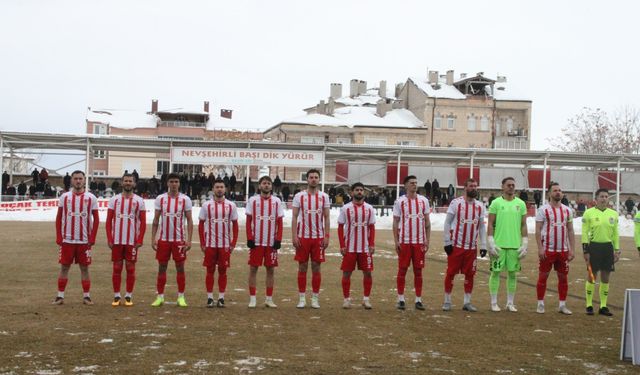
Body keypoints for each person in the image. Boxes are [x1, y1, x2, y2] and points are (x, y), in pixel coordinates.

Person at [52, 170, 99, 305]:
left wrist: (93, 237)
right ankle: (60, 296)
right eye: (76, 179)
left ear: (84, 180)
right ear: (72, 180)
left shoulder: (91, 198)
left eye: (80, 179)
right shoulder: (64, 197)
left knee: (84, 268)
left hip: (84, 240)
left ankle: (86, 296)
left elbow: (96, 219)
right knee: (64, 267)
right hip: (67, 240)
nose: (78, 181)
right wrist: (59, 236)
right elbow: (59, 217)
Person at [442, 178, 486, 312]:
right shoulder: (456, 203)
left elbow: (481, 227)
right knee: (451, 273)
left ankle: (467, 302)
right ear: (465, 188)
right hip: (456, 246)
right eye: (471, 186)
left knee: (470, 274)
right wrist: (447, 242)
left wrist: (483, 245)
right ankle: (447, 301)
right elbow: (447, 222)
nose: (474, 188)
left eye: (475, 186)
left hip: (471, 248)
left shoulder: (480, 206)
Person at [150, 173, 194, 307]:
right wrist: (153, 238)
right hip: (163, 240)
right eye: (171, 182)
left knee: (180, 268)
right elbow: (156, 220)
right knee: (161, 268)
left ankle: (181, 297)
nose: (174, 184)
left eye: (176, 182)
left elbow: (190, 220)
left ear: (179, 183)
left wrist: (189, 240)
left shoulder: (185, 199)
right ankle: (160, 297)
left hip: (179, 240)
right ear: (167, 183)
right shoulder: (160, 199)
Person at [487, 177, 527, 312]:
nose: (511, 187)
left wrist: (525, 243)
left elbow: (523, 225)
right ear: (502, 187)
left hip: (514, 246)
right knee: (495, 273)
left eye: (513, 185)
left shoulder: (521, 204)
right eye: (508, 185)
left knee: (512, 274)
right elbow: (491, 224)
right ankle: (493, 302)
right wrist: (491, 242)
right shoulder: (496, 203)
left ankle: (510, 303)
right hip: (499, 246)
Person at [292, 169, 331, 309]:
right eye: (311, 177)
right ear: (307, 179)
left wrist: (326, 236)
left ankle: (315, 298)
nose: (313, 179)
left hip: (318, 238)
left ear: (319, 179)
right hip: (303, 237)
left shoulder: (324, 197)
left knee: (316, 267)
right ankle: (302, 298)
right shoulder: (299, 196)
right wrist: (294, 235)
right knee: (302, 266)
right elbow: (295, 217)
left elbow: (326, 217)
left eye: (316, 177)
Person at [106, 173, 146, 307]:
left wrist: (140, 239)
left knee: (130, 268)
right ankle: (117, 295)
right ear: (122, 183)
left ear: (134, 184)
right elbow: (108, 221)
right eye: (126, 181)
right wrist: (110, 238)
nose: (128, 183)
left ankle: (128, 295)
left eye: (130, 181)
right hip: (117, 240)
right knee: (117, 268)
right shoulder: (114, 200)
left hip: (131, 241)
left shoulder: (139, 201)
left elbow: (143, 222)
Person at [535, 182, 575, 314]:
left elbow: (570, 231)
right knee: (543, 276)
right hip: (548, 250)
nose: (558, 192)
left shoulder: (567, 210)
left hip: (563, 250)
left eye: (560, 190)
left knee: (563, 278)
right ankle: (540, 303)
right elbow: (538, 229)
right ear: (549, 193)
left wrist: (572, 249)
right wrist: (540, 248)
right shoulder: (543, 210)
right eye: (555, 190)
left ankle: (562, 305)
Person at [198, 178, 238, 308]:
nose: (219, 189)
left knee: (223, 271)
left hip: (224, 245)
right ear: (213, 189)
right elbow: (201, 224)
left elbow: (235, 225)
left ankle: (221, 298)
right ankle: (210, 298)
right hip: (210, 244)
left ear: (225, 189)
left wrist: (233, 243)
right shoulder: (206, 205)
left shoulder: (231, 205)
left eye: (221, 187)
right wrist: (202, 243)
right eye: (217, 187)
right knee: (210, 271)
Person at [393, 175, 431, 310]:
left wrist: (427, 240)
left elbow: (427, 223)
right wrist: (396, 241)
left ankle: (418, 300)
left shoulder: (424, 201)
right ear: (405, 185)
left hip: (419, 242)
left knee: (418, 271)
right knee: (402, 270)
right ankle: (401, 299)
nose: (414, 185)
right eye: (411, 183)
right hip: (405, 241)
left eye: (416, 182)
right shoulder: (400, 202)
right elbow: (395, 221)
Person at [245, 176, 284, 308]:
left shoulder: (277, 201)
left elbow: (280, 222)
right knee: (253, 269)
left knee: (270, 270)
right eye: (264, 183)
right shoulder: (253, 200)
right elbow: (248, 220)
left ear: (271, 186)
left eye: (268, 183)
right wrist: (249, 237)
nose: (266, 185)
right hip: (256, 242)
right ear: (259, 186)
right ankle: (252, 298)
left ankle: (268, 298)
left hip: (271, 242)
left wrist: (278, 239)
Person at [338, 182, 376, 309]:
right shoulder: (345, 208)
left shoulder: (369, 208)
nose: (359, 192)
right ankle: (346, 299)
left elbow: (372, 227)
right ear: (351, 192)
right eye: (357, 190)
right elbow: (340, 226)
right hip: (350, 247)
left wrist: (371, 244)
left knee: (368, 273)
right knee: (347, 273)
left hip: (365, 248)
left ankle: (366, 299)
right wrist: (342, 245)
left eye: (361, 190)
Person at [582, 189, 620, 316]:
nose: (604, 199)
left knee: (605, 277)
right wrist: (585, 250)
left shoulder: (613, 214)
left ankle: (603, 306)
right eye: (601, 196)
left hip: (608, 248)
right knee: (592, 276)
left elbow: (615, 234)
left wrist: (617, 250)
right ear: (596, 198)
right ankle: (589, 305)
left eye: (606, 196)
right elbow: (584, 233)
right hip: (594, 247)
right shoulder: (588, 213)